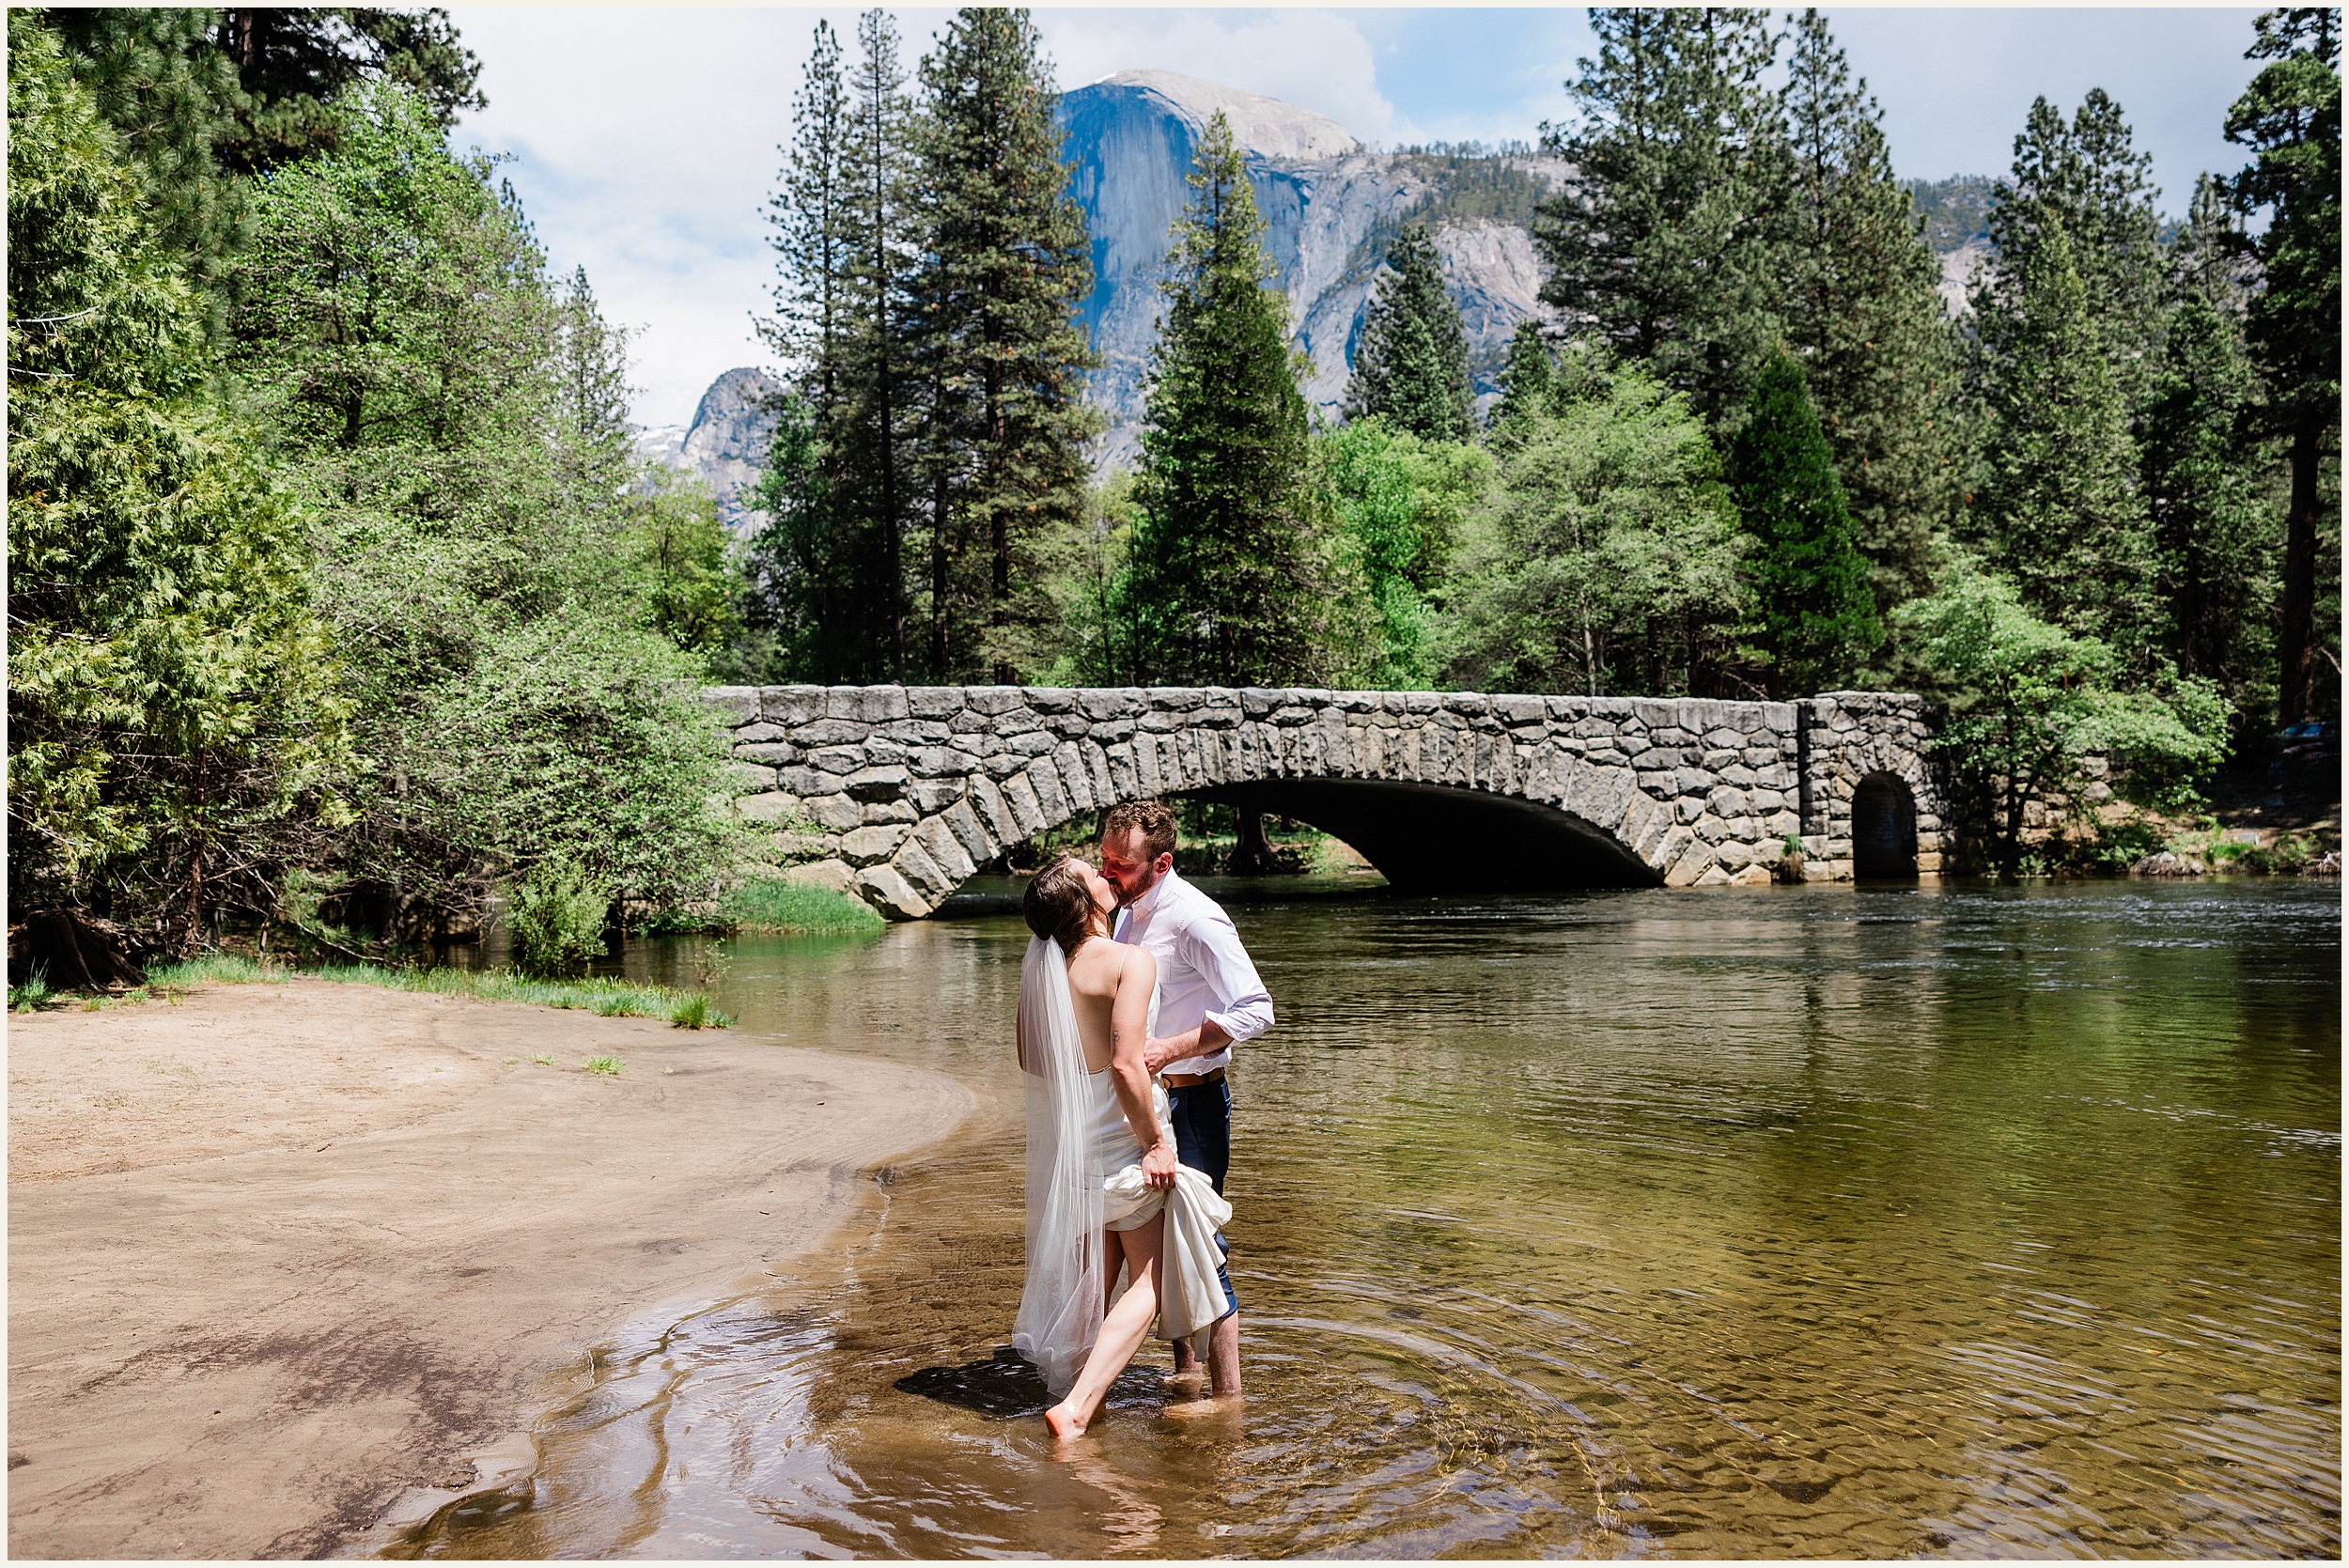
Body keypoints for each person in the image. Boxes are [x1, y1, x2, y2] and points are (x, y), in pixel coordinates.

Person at [1014, 854, 1234, 1440]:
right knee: (1154, 1284)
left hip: (1077, 1143)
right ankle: (1079, 1408)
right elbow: (1126, 1063)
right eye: (1095, 876)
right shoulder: (1128, 960)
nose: (1107, 878)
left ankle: (1088, 1396)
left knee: (1099, 1280)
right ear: (1086, 905)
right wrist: (1156, 1143)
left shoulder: (1045, 970)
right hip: (1122, 1136)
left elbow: (1031, 1059)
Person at [1097, 800, 1274, 1395]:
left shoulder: (1197, 918)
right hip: (1145, 1107)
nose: (1108, 873)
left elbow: (1257, 1009)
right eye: (1104, 860)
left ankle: (1228, 1398)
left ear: (1162, 861)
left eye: (1120, 863)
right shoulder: (1124, 911)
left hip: (1193, 1104)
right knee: (1161, 1246)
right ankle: (1185, 1378)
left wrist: (1165, 1050)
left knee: (1201, 1245)